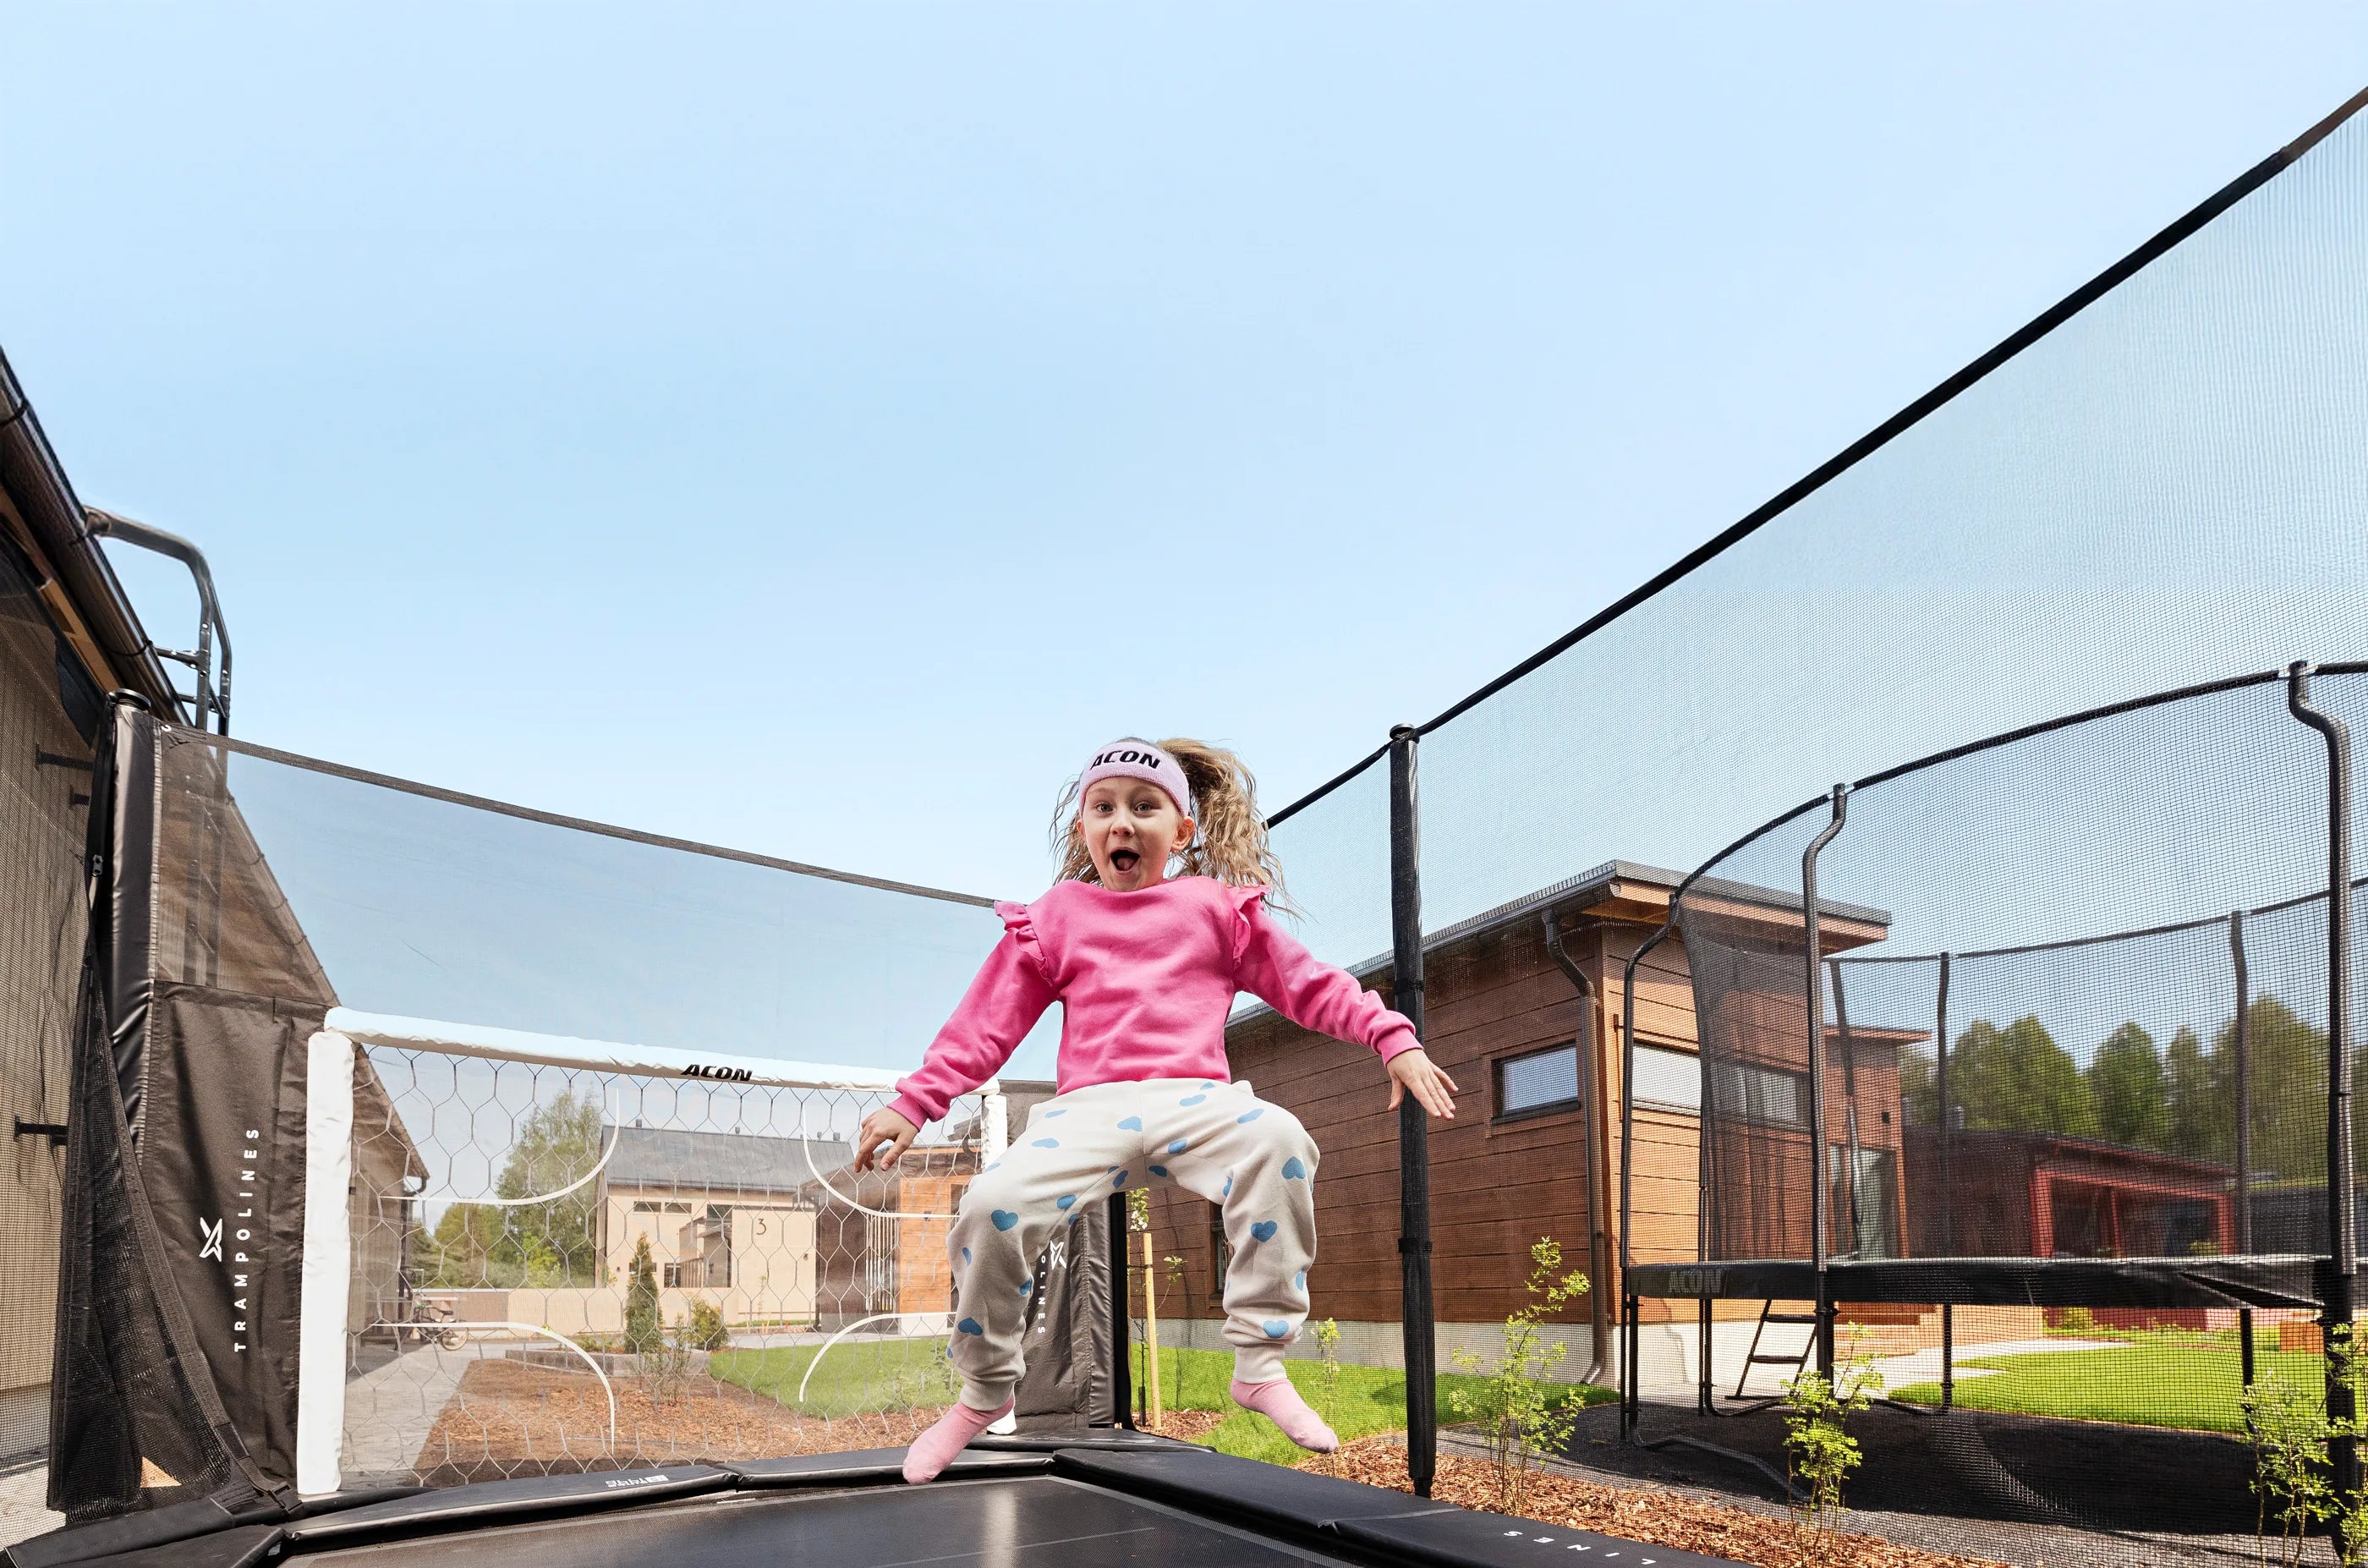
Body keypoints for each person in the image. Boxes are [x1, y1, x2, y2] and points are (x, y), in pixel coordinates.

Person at [852, 737, 1459, 1483]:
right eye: (1103, 808)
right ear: (1084, 833)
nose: (1123, 823)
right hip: (1088, 1110)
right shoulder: (1057, 916)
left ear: (1182, 832)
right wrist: (915, 1104)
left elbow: (1310, 983)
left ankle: (1259, 1365)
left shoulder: (1215, 908)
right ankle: (984, 1390)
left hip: (1194, 1100)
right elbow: (987, 1023)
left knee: (1281, 1140)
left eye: (1145, 808)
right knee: (989, 1203)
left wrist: (1389, 1036)